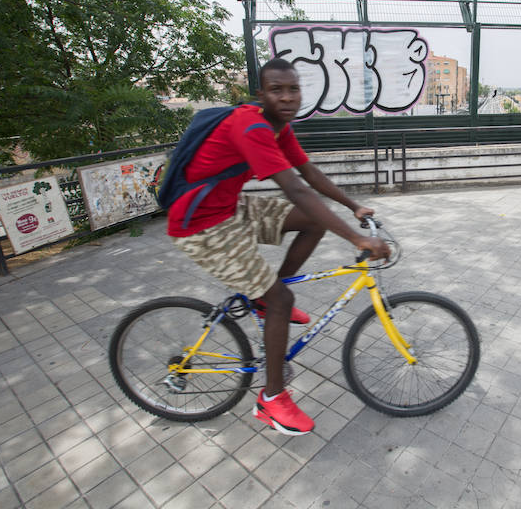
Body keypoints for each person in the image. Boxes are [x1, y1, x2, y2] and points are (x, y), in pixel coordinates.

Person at [167, 57, 390, 435]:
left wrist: (354, 207)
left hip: (229, 209)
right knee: (283, 302)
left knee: (313, 223)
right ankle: (272, 399)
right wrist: (357, 238)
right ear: (261, 94)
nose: (287, 98)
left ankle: (268, 299)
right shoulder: (251, 125)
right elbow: (295, 188)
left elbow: (309, 172)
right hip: (201, 226)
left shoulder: (278, 125)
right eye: (277, 90)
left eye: (293, 89)